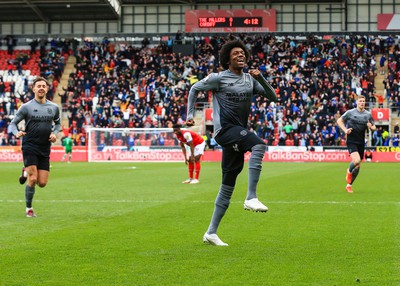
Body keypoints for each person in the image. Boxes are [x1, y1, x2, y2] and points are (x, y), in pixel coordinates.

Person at [186, 39, 277, 246]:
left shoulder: (249, 79)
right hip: (224, 130)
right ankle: (251, 197)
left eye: (242, 52)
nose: (241, 55)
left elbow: (273, 97)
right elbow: (194, 89)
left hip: (236, 133)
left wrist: (261, 78)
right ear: (227, 58)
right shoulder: (218, 78)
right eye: (236, 53)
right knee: (259, 145)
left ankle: (211, 233)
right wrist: (190, 114)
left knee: (227, 184)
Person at [8, 77, 61, 217]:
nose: (42, 88)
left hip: (44, 147)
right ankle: (29, 209)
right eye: (39, 86)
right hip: (30, 145)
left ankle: (25, 171)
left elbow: (58, 124)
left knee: (42, 183)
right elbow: (12, 124)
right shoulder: (26, 107)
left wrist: (55, 133)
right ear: (34, 89)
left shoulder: (54, 108)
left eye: (44, 86)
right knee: (32, 179)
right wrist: (16, 132)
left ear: (47, 88)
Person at [337, 95, 376, 193]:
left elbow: (374, 127)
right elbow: (339, 120)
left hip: (361, 141)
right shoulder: (350, 113)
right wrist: (345, 130)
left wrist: (371, 127)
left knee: (358, 166)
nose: (362, 103)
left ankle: (349, 185)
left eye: (363, 101)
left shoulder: (368, 115)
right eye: (360, 101)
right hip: (351, 140)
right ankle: (349, 171)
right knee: (357, 160)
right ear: (357, 102)